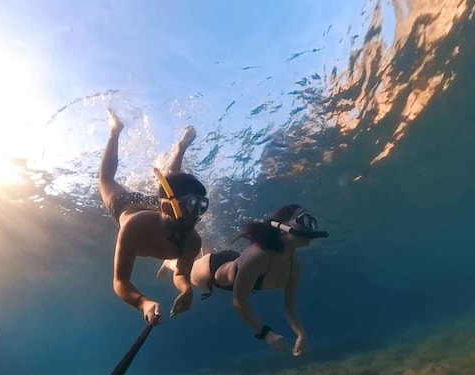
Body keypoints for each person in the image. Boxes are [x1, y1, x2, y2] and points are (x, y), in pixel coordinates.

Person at [160, 205, 328, 356]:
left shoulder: (293, 267)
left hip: (235, 260)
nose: (310, 228)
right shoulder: (258, 256)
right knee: (185, 270)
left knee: (219, 257)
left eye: (312, 223)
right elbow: (238, 301)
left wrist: (300, 334)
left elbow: (289, 306)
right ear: (282, 227)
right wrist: (266, 334)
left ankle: (203, 248)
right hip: (211, 271)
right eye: (303, 220)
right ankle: (169, 262)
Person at [98, 109, 209, 326]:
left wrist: (186, 289)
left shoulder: (193, 241)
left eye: (202, 206)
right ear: (168, 209)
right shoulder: (134, 227)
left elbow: (181, 272)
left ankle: (180, 149)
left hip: (158, 205)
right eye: (193, 206)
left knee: (170, 184)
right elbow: (120, 281)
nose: (198, 215)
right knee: (105, 179)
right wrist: (143, 303)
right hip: (125, 205)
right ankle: (115, 131)